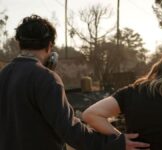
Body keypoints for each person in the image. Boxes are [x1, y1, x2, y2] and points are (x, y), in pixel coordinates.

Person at [0, 14, 150, 150]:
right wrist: (115, 144)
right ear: (49, 46)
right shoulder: (45, 78)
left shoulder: (3, 75)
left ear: (20, 45)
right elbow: (70, 130)